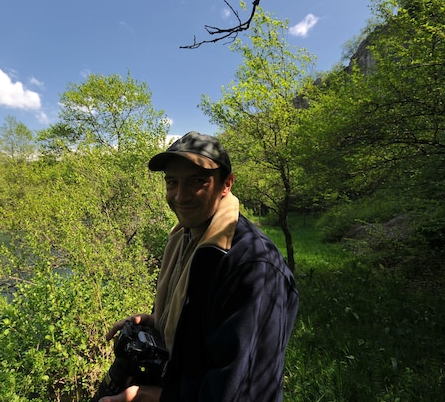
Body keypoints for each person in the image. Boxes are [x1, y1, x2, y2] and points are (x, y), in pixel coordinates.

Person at [100, 131, 299, 402]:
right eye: (172, 182)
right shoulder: (187, 237)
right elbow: (202, 328)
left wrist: (156, 397)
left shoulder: (252, 265)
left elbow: (245, 391)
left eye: (197, 182)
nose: (180, 196)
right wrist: (157, 324)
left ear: (226, 184)